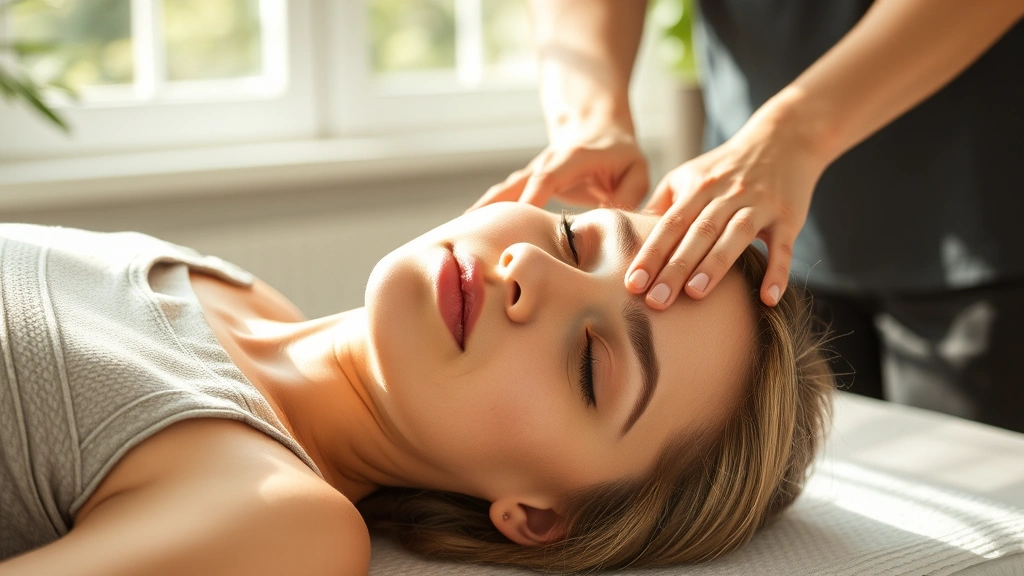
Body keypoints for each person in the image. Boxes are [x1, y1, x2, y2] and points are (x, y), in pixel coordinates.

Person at [0, 204, 834, 574]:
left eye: (591, 366)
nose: (530, 270)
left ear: (538, 515)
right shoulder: (233, 291)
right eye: (573, 238)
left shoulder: (288, 523)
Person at [473, 0, 1024, 432]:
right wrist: (591, 117)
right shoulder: (742, 316)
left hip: (981, 208)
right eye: (571, 237)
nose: (524, 266)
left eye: (572, 243)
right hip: (753, 230)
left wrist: (795, 133)